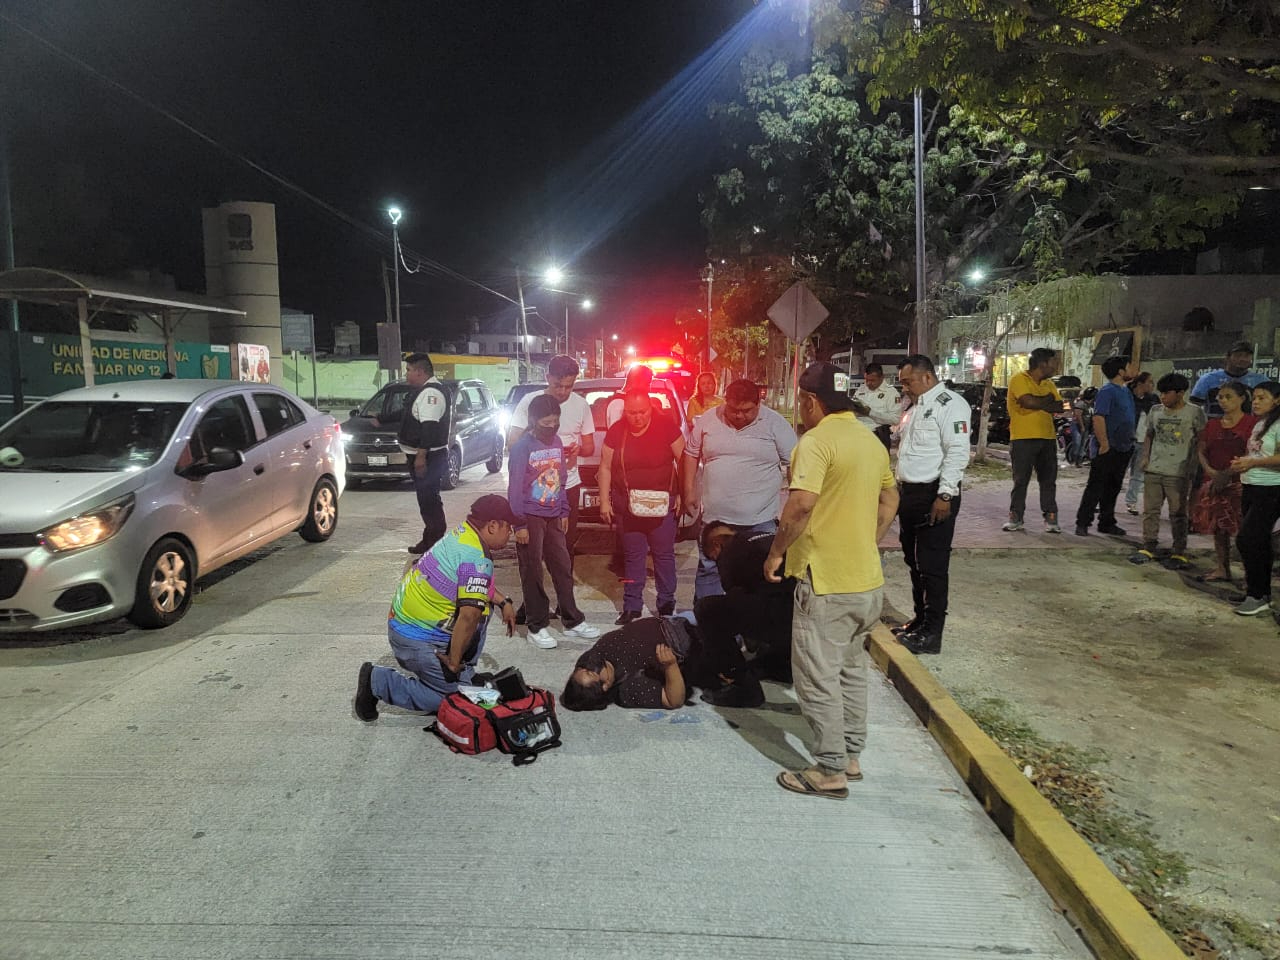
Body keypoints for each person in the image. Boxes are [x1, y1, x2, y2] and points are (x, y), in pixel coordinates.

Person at [764, 362, 898, 801]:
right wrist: (868, 539)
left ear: (808, 400)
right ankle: (851, 755)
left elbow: (801, 505)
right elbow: (890, 498)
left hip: (826, 583)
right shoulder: (869, 440)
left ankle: (829, 770)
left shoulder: (816, 441)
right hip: (867, 582)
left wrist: (777, 552)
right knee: (850, 670)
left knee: (817, 677)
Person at [352, 495, 520, 721]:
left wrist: (503, 601)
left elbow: (472, 584)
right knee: (455, 701)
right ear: (492, 526)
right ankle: (379, 682)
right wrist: (452, 661)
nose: (510, 533)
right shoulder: (474, 557)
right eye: (508, 527)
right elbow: (468, 617)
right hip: (416, 639)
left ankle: (462, 674)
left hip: (408, 626)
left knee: (479, 605)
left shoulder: (463, 536)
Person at [681, 378, 796, 601]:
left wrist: (795, 499)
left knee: (757, 574)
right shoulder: (709, 419)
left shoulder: (775, 424)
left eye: (746, 411)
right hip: (716, 522)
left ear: (758, 404)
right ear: (726, 402)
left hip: (759, 520)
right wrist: (688, 490)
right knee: (709, 570)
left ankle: (751, 626)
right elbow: (691, 453)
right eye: (734, 410)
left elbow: (795, 462)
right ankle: (706, 622)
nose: (739, 416)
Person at [507, 394, 601, 650]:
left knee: (562, 566)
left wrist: (564, 510)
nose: (551, 427)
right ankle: (537, 625)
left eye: (555, 422)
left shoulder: (557, 441)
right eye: (546, 423)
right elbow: (514, 488)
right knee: (532, 571)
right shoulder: (522, 447)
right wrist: (519, 525)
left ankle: (572, 620)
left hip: (553, 515)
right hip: (530, 516)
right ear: (534, 420)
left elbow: (560, 476)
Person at [893, 355, 971, 655]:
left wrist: (946, 494)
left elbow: (957, 452)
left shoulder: (951, 405)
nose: (905, 387)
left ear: (926, 377)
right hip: (910, 494)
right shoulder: (915, 407)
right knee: (913, 560)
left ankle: (932, 633)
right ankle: (920, 620)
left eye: (907, 381)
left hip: (934, 495)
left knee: (933, 565)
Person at [599, 389, 685, 624]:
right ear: (624, 411)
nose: (637, 418)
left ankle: (666, 604)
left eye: (642, 412)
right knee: (632, 557)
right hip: (628, 507)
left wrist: (683, 494)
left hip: (662, 507)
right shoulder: (617, 430)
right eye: (631, 413)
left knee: (664, 556)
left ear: (651, 409)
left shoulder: (667, 427)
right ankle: (631, 606)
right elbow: (605, 466)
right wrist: (605, 501)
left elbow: (684, 461)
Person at [693, 522, 794, 707]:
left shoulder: (730, 550)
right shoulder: (766, 537)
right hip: (809, 609)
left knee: (708, 610)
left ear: (716, 544)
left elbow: (736, 601)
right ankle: (782, 664)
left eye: (713, 557)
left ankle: (743, 688)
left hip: (783, 617)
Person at [506, 355, 596, 557]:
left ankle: (564, 586)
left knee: (565, 546)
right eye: (558, 385)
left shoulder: (581, 405)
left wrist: (577, 450)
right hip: (532, 491)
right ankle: (538, 588)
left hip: (567, 487)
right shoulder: (530, 402)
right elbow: (513, 443)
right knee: (533, 551)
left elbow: (589, 447)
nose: (562, 391)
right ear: (548, 377)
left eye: (569, 386)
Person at [1130, 373, 1205, 570]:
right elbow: (1149, 435)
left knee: (1178, 512)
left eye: (1167, 393)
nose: (1163, 397)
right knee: (1150, 510)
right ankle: (1149, 546)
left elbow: (1200, 441)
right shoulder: (1156, 411)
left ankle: (1179, 551)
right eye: (1161, 393)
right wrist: (1145, 457)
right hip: (1155, 469)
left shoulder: (1194, 413)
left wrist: (1194, 466)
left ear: (1180, 393)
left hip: (1178, 472)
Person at [561, 616, 704, 711]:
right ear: (604, 686)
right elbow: (674, 701)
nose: (588, 663)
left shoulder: (589, 659)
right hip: (687, 642)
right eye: (590, 671)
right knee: (713, 609)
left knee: (707, 605)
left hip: (672, 621)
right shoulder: (628, 690)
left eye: (581, 667)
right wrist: (671, 665)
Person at [1192, 381, 1256, 583]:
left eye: (1229, 397)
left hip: (1240, 482)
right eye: (1220, 397)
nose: (1223, 401)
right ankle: (1222, 568)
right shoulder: (1211, 424)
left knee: (1244, 531)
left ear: (1242, 399)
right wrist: (1212, 473)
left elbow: (1251, 453)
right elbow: (1201, 450)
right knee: (1219, 529)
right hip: (1213, 482)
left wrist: (1227, 474)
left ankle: (1251, 574)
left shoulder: (1251, 424)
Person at [1227, 381, 1280, 615]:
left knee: (1247, 540)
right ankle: (1258, 592)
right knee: (1258, 542)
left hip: (1271, 490)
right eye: (1255, 397)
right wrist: (1244, 464)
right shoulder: (1261, 423)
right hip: (1252, 486)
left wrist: (1253, 462)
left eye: (1262, 397)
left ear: (1277, 400)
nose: (1255, 402)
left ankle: (1257, 595)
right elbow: (1259, 452)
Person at [1074, 356, 1138, 537]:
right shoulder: (1107, 391)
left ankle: (1107, 522)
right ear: (1121, 371)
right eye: (1129, 366)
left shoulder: (1125, 392)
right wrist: (1104, 444)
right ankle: (1083, 522)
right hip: (1108, 448)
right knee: (1096, 486)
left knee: (1114, 486)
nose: (1133, 369)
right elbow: (1099, 417)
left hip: (1124, 447)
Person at [1004, 348, 1063, 533]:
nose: (1056, 366)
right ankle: (1016, 517)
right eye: (1053, 362)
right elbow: (1026, 402)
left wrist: (1039, 401)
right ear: (1043, 363)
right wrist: (1046, 401)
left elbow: (1059, 406)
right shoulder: (1018, 379)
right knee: (1021, 480)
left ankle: (1051, 518)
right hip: (1022, 438)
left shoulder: (1049, 383)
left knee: (1048, 480)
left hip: (1047, 437)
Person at [398, 353, 452, 554]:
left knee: (430, 502)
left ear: (420, 372)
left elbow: (429, 428)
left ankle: (436, 547)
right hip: (424, 456)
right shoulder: (423, 391)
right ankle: (429, 540)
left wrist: (421, 457)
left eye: (409, 370)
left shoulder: (432, 394)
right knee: (426, 501)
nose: (407, 373)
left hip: (429, 458)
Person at [1191, 340, 1266, 418]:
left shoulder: (1261, 381)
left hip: (1249, 428)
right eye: (1238, 355)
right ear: (1227, 357)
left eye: (1246, 356)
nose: (1242, 359)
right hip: (1214, 428)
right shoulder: (1208, 380)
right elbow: (1194, 408)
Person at [1124, 372, 1158, 515]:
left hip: (1144, 442)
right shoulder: (1127, 396)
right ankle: (1105, 501)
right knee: (1118, 472)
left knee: (1138, 474)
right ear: (1140, 383)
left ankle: (1131, 502)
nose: (1152, 385)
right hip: (1127, 440)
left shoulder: (1153, 400)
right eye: (1149, 382)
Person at [852, 363, 901, 450]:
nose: (868, 383)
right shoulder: (861, 390)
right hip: (858, 434)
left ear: (882, 377)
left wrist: (870, 413)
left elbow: (895, 419)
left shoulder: (891, 393)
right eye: (866, 380)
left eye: (872, 380)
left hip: (878, 436)